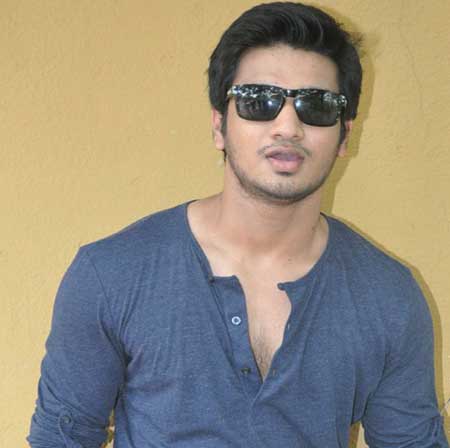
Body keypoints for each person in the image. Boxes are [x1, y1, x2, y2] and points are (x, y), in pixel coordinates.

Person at [28, 2, 448, 447]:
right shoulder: (112, 275)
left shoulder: (389, 298)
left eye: (317, 105)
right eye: (258, 101)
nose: (287, 126)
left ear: (344, 134)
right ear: (219, 126)